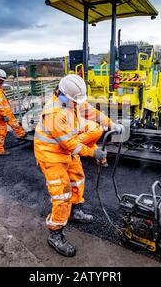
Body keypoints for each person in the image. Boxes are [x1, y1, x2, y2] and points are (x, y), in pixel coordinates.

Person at [34, 74, 124, 257]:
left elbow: (91, 112)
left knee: (77, 180)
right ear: (63, 94)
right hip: (50, 156)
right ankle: (55, 233)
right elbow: (70, 144)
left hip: (65, 153)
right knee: (62, 193)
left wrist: (111, 123)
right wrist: (93, 152)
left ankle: (75, 211)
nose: (78, 104)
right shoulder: (54, 113)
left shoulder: (71, 100)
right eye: (75, 101)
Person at [0, 69, 26, 155]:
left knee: (13, 122)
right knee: (1, 132)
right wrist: (4, 115)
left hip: (4, 113)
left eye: (3, 80)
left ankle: (21, 134)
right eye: (1, 80)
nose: (2, 82)